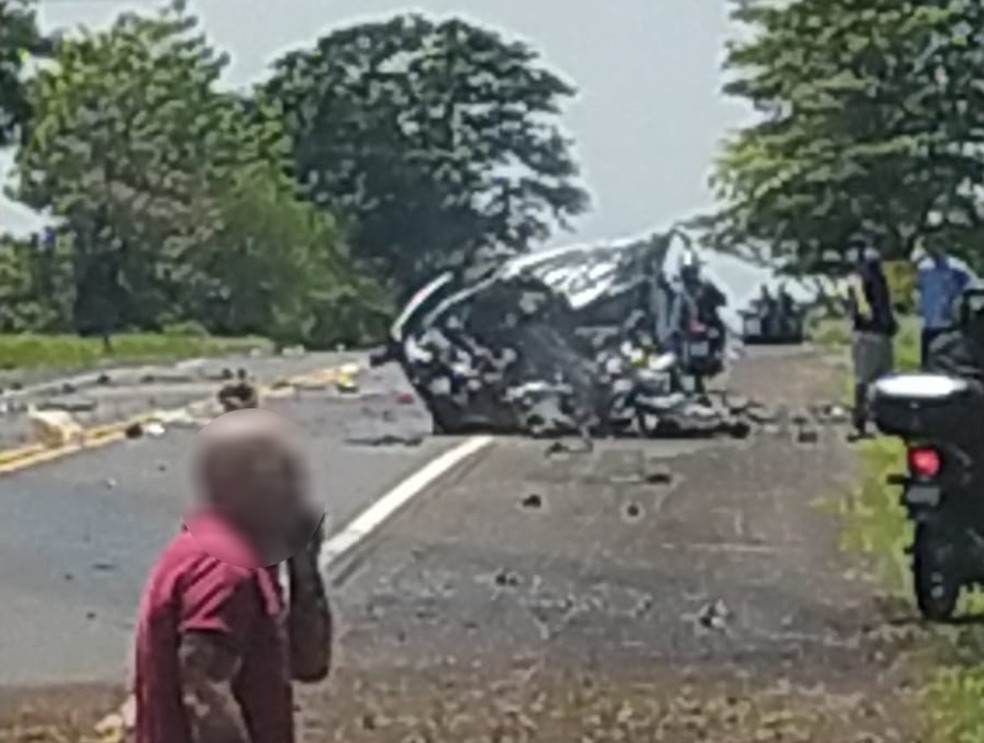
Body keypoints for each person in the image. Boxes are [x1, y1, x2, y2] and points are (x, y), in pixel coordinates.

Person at [133, 409, 331, 743]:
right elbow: (202, 692)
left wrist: (305, 568)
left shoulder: (253, 565)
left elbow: (309, 664)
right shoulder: (223, 568)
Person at [845, 243, 897, 440]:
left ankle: (876, 421)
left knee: (880, 380)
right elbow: (862, 306)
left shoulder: (875, 277)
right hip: (868, 333)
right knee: (865, 380)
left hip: (878, 333)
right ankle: (860, 423)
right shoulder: (863, 277)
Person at [914, 240, 976, 366]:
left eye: (933, 245)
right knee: (927, 361)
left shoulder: (958, 267)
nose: (930, 250)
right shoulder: (924, 267)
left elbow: (972, 289)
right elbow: (917, 289)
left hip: (949, 325)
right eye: (927, 247)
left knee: (947, 361)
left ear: (942, 246)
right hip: (928, 324)